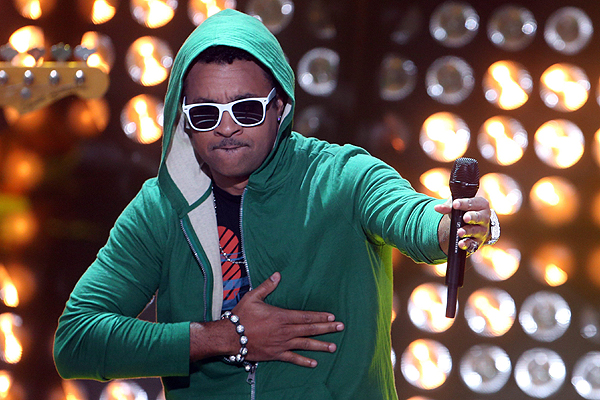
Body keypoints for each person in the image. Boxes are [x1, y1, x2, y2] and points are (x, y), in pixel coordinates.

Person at [53, 9, 498, 400]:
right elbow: (76, 341)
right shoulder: (161, 208)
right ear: (183, 121)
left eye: (245, 109)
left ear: (280, 106)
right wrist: (225, 337)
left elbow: (410, 216)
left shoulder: (341, 176)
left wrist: (453, 228)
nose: (226, 128)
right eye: (205, 114)